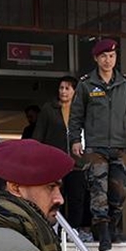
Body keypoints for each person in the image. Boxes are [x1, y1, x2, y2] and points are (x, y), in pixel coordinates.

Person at [68, 38, 126, 251]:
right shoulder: (86, 84)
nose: (108, 60)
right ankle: (103, 232)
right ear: (96, 58)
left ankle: (111, 226)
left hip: (119, 146)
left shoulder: (125, 84)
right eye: (103, 56)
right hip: (95, 147)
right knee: (98, 190)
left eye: (111, 56)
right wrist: (75, 139)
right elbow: (76, 115)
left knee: (118, 192)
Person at [32, 76, 90, 237]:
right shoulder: (49, 109)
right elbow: (39, 134)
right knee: (56, 197)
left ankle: (73, 231)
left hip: (77, 163)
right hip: (55, 163)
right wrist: (36, 155)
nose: (63, 91)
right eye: (61, 88)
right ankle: (55, 230)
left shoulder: (82, 110)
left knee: (77, 197)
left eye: (67, 88)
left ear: (75, 91)